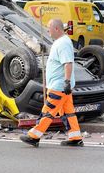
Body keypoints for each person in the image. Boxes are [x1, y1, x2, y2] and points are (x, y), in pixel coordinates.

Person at [20, 19, 83, 147]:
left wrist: (66, 82)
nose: (48, 31)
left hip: (59, 86)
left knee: (48, 111)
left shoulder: (63, 43)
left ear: (56, 29)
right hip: (61, 86)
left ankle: (34, 136)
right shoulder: (61, 42)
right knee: (68, 113)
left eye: (49, 28)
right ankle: (75, 137)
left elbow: (68, 63)